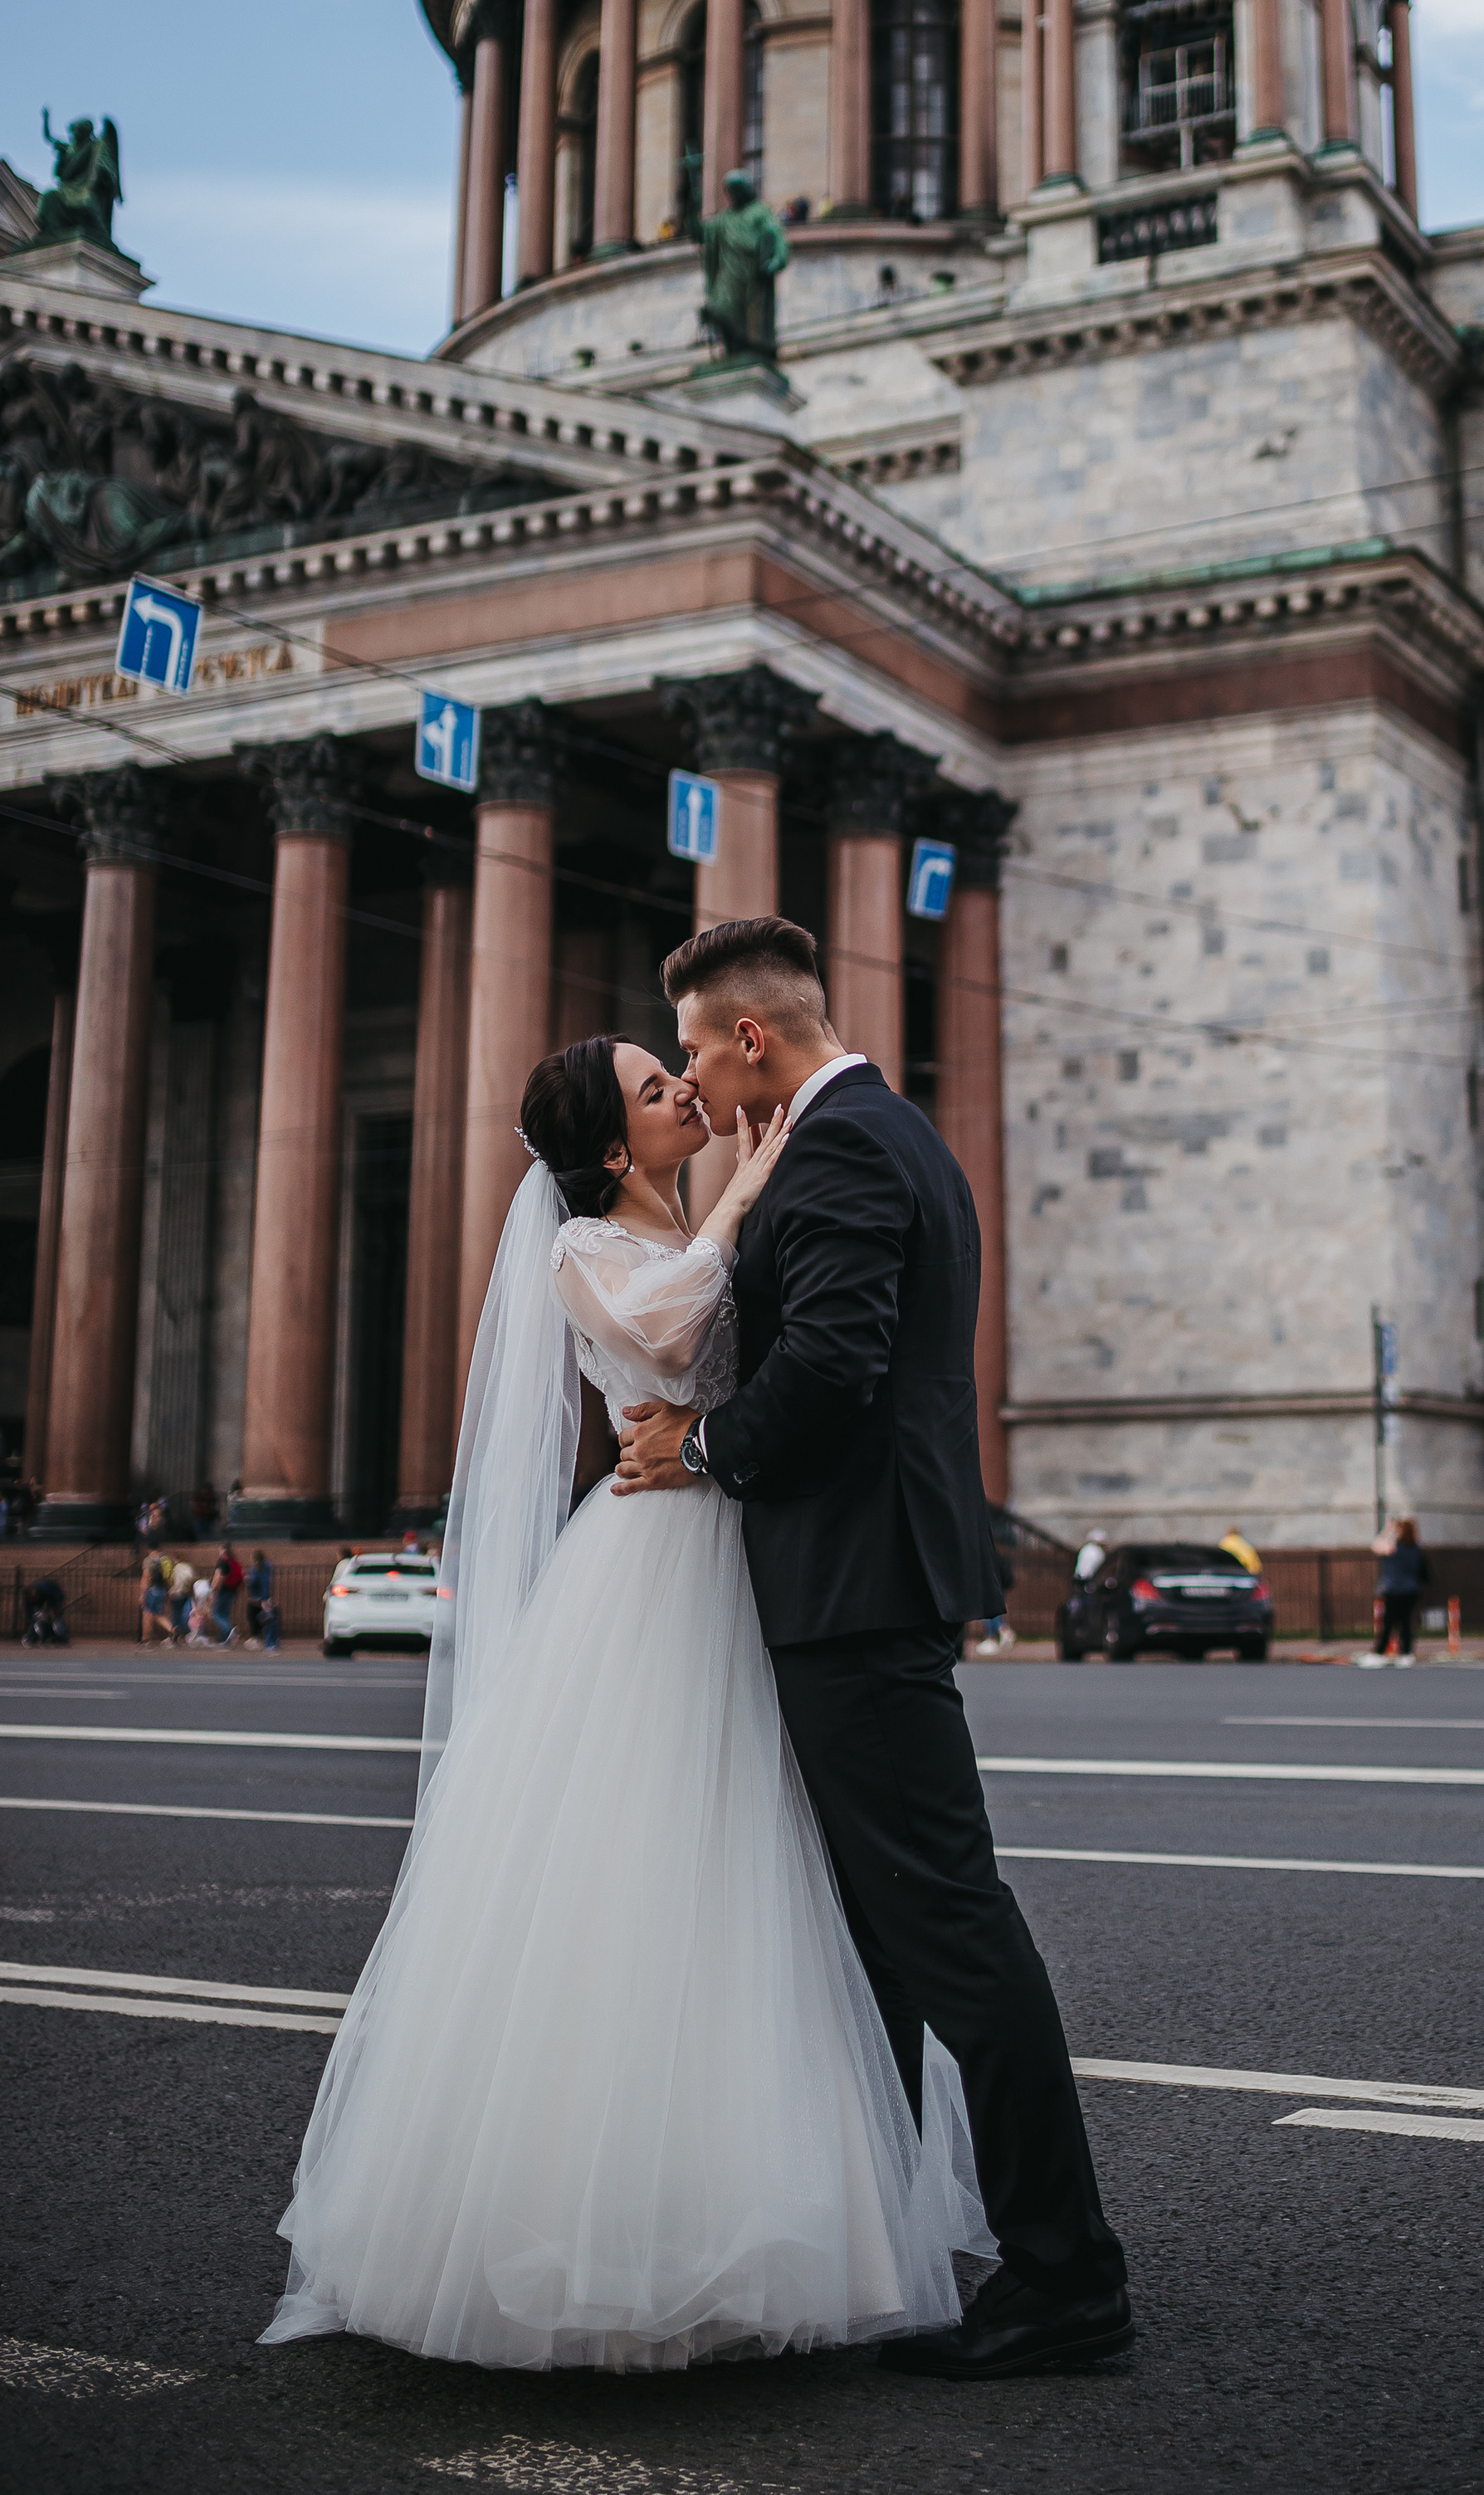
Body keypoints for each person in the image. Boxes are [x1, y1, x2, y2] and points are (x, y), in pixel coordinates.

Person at [265, 1032, 988, 2370]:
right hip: (654, 1567)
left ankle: (792, 2201)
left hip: (746, 1548)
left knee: (772, 1887)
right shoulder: (581, 1248)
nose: (689, 1093)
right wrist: (741, 1196)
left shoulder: (732, 1221)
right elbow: (664, 1326)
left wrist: (743, 1223)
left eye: (680, 1073)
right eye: (659, 1090)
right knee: (647, 1865)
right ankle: (617, 2227)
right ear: (612, 1148)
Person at [616, 915, 1131, 2379]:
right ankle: (904, 2241)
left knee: (944, 1927)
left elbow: (832, 1366)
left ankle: (1067, 2275)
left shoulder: (839, 1148)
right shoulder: (888, 1132)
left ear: (753, 1034)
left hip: (852, 1584)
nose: (702, 1084)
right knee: (884, 1942)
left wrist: (698, 1446)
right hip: (864, 1575)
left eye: (705, 1049)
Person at [1362, 1519, 1429, 1667]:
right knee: (1405, 1622)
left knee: (1388, 1622)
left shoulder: (1394, 1548)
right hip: (1411, 1590)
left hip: (1395, 1590)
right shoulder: (1416, 1549)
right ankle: (1406, 1654)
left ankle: (1379, 1653)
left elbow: (1376, 1545)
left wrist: (1388, 1529)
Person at [139, 1545, 174, 1648]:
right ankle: (172, 1629)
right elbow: (169, 1579)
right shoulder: (165, 1559)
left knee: (148, 1613)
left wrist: (142, 1594)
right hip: (162, 1590)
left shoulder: (149, 1560)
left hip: (152, 1590)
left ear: (149, 1549)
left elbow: (146, 1577)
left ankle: (146, 1638)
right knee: (157, 1613)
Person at [246, 1550, 278, 1652]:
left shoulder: (255, 1569)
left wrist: (246, 1579)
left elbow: (252, 1582)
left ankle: (257, 1638)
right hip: (266, 1596)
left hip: (256, 1598)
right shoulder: (267, 1567)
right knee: (267, 1618)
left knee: (253, 1617)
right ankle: (271, 1640)